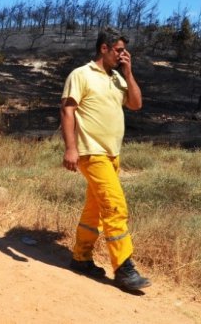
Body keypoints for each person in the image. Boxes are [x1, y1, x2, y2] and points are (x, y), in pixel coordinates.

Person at [60, 26, 150, 291]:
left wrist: (129, 72)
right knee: (115, 207)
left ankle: (81, 258)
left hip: (113, 155)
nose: (123, 55)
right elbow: (67, 111)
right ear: (104, 48)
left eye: (124, 51)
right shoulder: (81, 74)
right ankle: (123, 268)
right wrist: (70, 148)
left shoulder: (117, 79)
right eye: (119, 50)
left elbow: (135, 104)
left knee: (96, 209)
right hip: (92, 153)